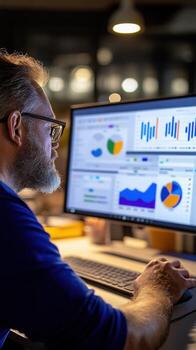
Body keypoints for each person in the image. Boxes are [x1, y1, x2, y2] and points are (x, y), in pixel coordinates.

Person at [0, 50, 195, 350]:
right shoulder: (7, 221)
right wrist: (159, 289)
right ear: (16, 127)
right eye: (50, 129)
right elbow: (124, 339)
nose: (54, 146)